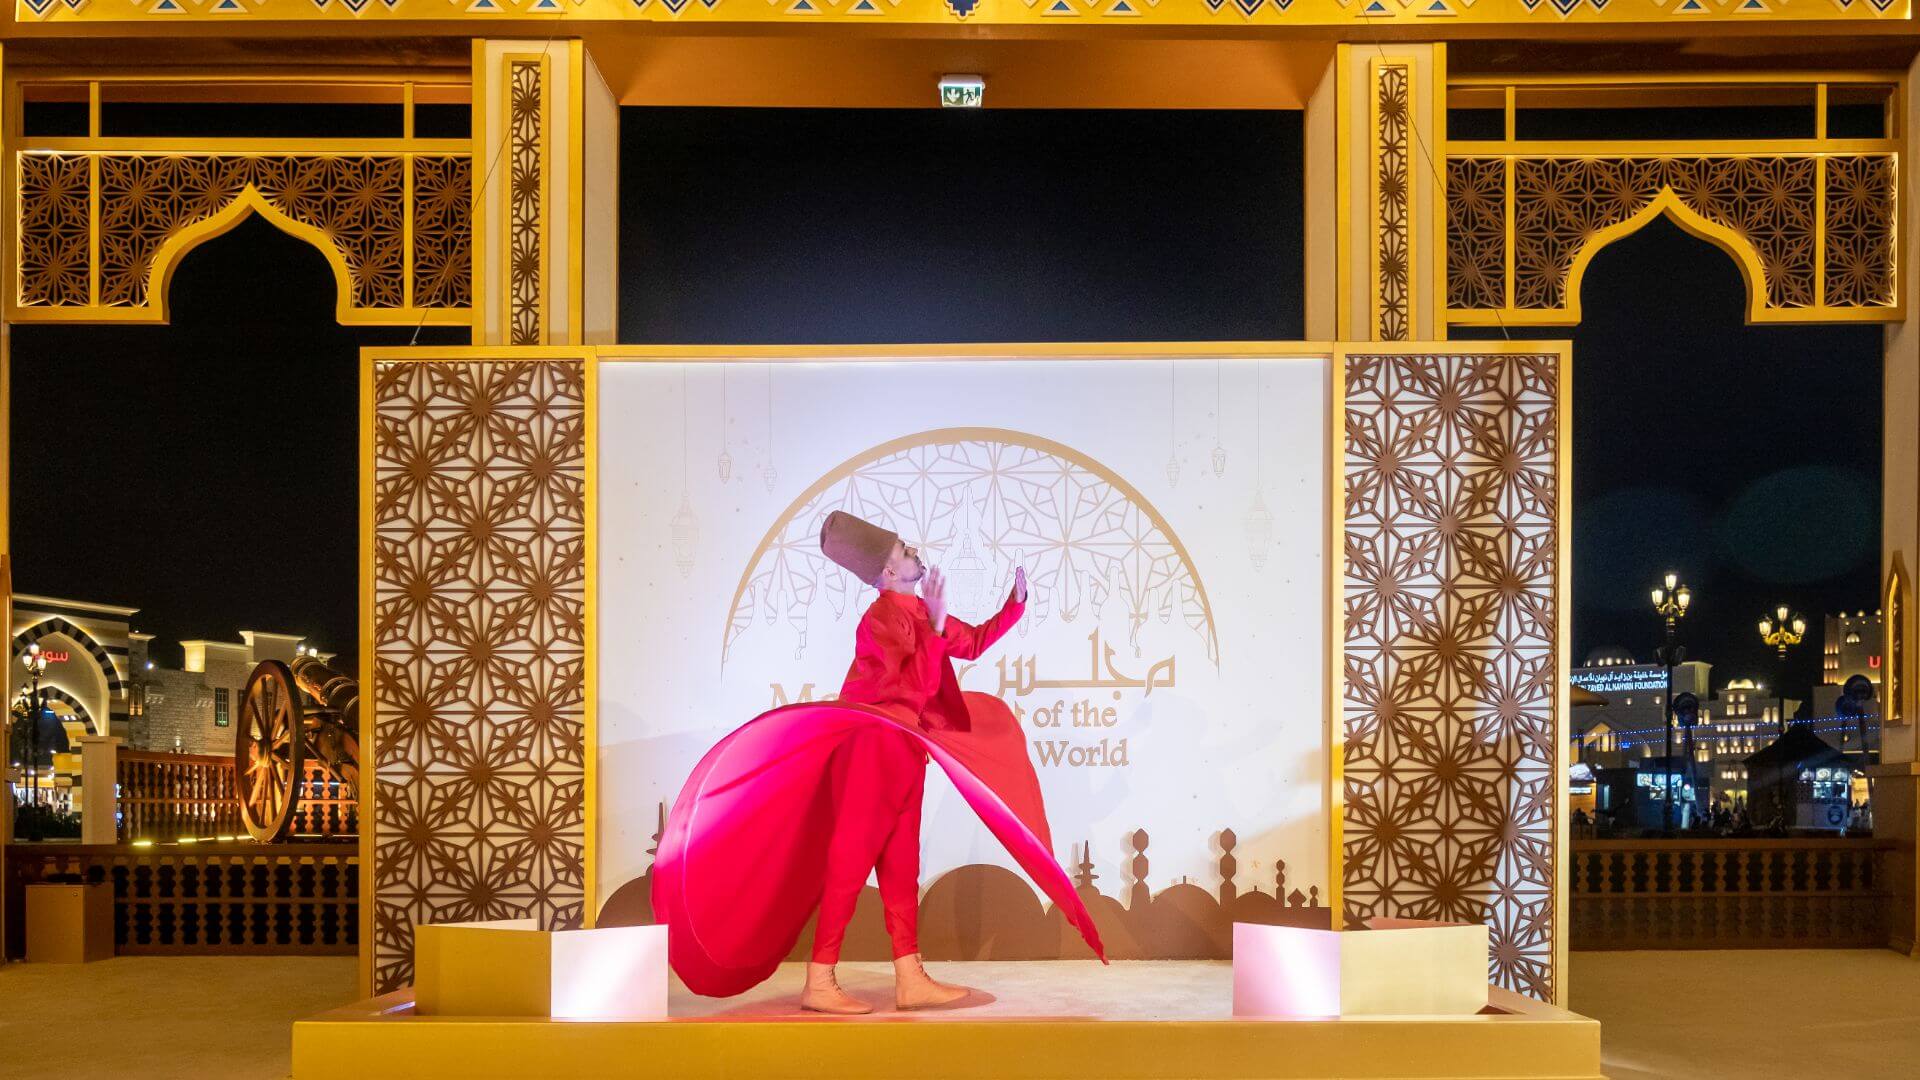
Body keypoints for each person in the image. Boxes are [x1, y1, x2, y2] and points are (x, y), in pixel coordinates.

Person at [652, 511, 1103, 1014]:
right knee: (850, 862)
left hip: (907, 748)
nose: (915, 553)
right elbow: (906, 689)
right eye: (904, 552)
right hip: (873, 747)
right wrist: (935, 626)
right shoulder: (880, 619)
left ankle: (909, 977)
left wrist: (1014, 604)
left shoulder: (920, 611)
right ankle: (820, 979)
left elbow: (972, 642)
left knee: (901, 866)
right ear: (889, 572)